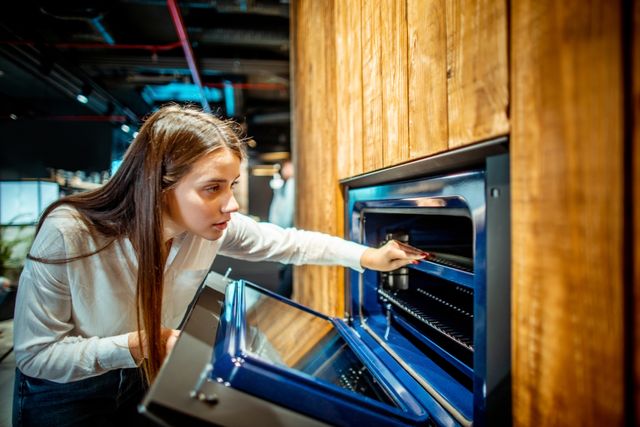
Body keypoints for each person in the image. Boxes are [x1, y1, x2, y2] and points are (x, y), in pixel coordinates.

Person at [12, 104, 425, 426]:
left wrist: (368, 257)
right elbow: (36, 356)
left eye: (231, 186)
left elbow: (289, 243)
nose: (232, 205)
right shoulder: (70, 232)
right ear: (158, 185)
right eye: (212, 188)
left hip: (142, 375)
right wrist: (136, 346)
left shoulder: (212, 226)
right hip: (65, 393)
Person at [268, 159, 295, 297]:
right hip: (284, 235)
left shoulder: (291, 184)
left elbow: (286, 215)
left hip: (287, 236)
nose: (286, 170)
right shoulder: (285, 186)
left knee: (285, 283)